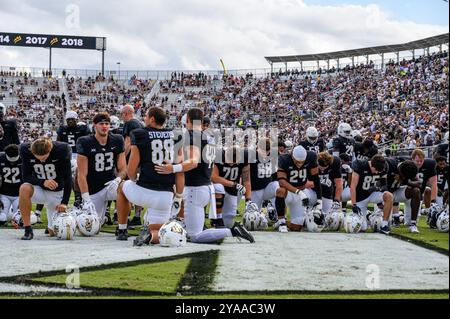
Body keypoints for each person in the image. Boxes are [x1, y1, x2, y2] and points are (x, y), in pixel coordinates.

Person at [155, 108, 254, 244]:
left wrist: (172, 168)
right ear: (202, 121)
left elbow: (193, 162)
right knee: (194, 229)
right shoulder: (209, 137)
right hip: (205, 187)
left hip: (195, 189)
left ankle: (232, 231)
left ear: (188, 120)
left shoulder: (192, 135)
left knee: (195, 236)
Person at [116, 107, 183, 242]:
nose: (145, 118)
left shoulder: (139, 134)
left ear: (152, 119)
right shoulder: (176, 134)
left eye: (146, 116)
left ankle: (122, 229)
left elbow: (131, 169)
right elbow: (179, 167)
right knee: (159, 231)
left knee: (121, 188)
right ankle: (150, 237)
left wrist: (134, 179)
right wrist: (179, 195)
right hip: (165, 195)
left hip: (144, 191)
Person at [76, 112, 126, 225]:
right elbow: (81, 174)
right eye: (101, 123)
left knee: (127, 190)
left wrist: (118, 180)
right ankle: (81, 211)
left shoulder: (117, 139)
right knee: (92, 226)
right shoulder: (85, 142)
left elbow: (123, 169)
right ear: (94, 125)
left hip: (111, 184)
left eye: (107, 123)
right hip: (94, 188)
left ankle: (122, 225)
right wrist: (86, 198)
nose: (104, 126)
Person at [19, 137, 72, 240]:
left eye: (44, 157)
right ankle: (27, 229)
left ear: (50, 150)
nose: (41, 160)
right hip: (39, 189)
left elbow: (68, 179)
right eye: (38, 157)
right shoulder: (25, 150)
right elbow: (26, 177)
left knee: (55, 233)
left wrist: (64, 202)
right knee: (24, 188)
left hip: (56, 193)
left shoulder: (62, 150)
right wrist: (43, 182)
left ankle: (51, 226)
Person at [275, 145, 323, 233]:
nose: (300, 164)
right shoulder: (284, 159)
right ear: (292, 156)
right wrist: (298, 192)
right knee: (280, 191)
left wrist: (319, 199)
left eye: (302, 162)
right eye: (297, 162)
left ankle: (285, 223)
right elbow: (282, 182)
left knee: (296, 227)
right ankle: (281, 222)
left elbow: (316, 179)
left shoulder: (311, 157)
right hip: (289, 192)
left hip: (301, 192)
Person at [350, 154, 393, 234]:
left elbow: (384, 186)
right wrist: (354, 204)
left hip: (373, 194)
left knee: (389, 195)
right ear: (371, 165)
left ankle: (384, 225)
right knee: (362, 228)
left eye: (378, 171)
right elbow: (353, 187)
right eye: (376, 170)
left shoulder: (384, 166)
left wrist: (377, 188)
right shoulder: (360, 165)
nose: (377, 172)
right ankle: (368, 215)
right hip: (360, 197)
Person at [211, 146, 252, 228]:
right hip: (218, 187)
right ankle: (217, 218)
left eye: (234, 162)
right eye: (230, 161)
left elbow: (246, 180)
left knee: (228, 223)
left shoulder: (244, 158)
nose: (232, 164)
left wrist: (248, 200)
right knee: (219, 187)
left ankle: (220, 219)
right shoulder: (219, 155)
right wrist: (234, 184)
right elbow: (214, 177)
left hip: (232, 190)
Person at [120, 104, 145, 226]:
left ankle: (124, 215)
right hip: (141, 160)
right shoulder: (139, 123)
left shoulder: (129, 124)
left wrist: (121, 158)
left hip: (132, 160)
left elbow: (128, 143)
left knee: (125, 188)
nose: (121, 117)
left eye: (122, 114)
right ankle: (137, 216)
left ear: (126, 113)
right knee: (138, 187)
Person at [384, 158, 421, 233]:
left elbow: (419, 184)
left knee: (416, 191)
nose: (405, 177)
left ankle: (413, 224)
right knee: (383, 224)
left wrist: (405, 181)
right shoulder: (388, 164)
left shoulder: (409, 167)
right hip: (383, 194)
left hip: (396, 192)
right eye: (404, 176)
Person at [411, 149, 438, 216]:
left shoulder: (429, 164)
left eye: (421, 161)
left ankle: (428, 210)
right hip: (410, 193)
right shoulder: (408, 165)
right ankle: (398, 216)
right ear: (412, 159)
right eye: (417, 161)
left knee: (428, 189)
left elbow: (434, 183)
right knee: (408, 221)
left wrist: (433, 202)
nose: (419, 163)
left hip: (421, 190)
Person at [0, 144, 23, 226]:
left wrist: (25, 198)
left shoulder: (23, 158)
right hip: (4, 193)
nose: (12, 162)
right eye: (10, 160)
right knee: (2, 218)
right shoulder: (1, 158)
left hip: (20, 194)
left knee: (20, 219)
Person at [317, 152, 343, 216]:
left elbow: (339, 184)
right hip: (313, 190)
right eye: (321, 167)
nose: (322, 169)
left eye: (325, 167)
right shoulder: (312, 161)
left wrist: (336, 200)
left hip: (327, 192)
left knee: (329, 215)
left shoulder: (335, 163)